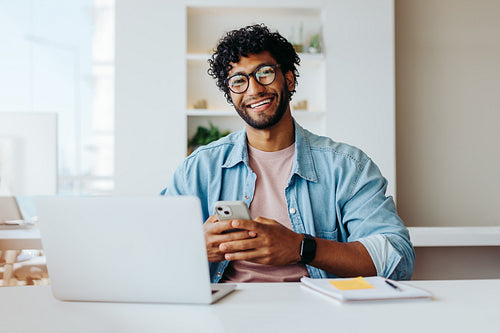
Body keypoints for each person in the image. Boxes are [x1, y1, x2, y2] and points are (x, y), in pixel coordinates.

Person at [164, 24, 414, 283]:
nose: (254, 90)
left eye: (265, 73)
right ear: (230, 93)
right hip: (225, 315)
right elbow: (154, 247)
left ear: (289, 78)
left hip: (319, 315)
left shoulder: (347, 167)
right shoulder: (199, 168)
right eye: (239, 81)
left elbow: (397, 258)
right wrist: (193, 246)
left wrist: (300, 247)